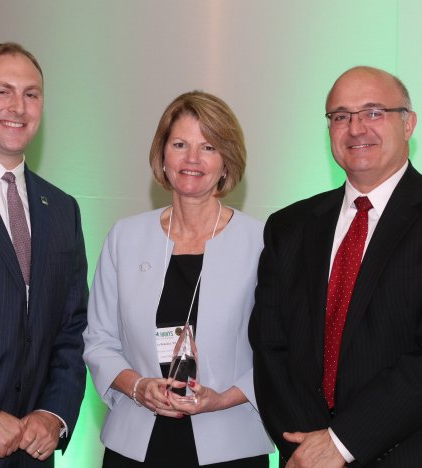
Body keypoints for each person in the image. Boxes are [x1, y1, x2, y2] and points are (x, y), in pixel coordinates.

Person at [83, 90, 274, 467]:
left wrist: (222, 398)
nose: (192, 159)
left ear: (226, 162)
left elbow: (278, 352)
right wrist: (138, 388)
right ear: (163, 157)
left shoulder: (262, 242)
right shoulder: (125, 237)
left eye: (208, 147)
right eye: (180, 144)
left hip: (230, 442)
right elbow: (99, 339)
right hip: (135, 444)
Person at [249, 65, 422, 467]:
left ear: (408, 123)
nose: (356, 128)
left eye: (374, 112)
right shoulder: (288, 226)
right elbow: (270, 348)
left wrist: (341, 443)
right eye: (340, 116)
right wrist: (305, 447)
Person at [0, 42, 88, 467]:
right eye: (3, 91)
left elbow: (74, 328)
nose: (19, 106)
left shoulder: (62, 207)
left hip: (33, 452)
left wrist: (54, 414)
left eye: (31, 94)